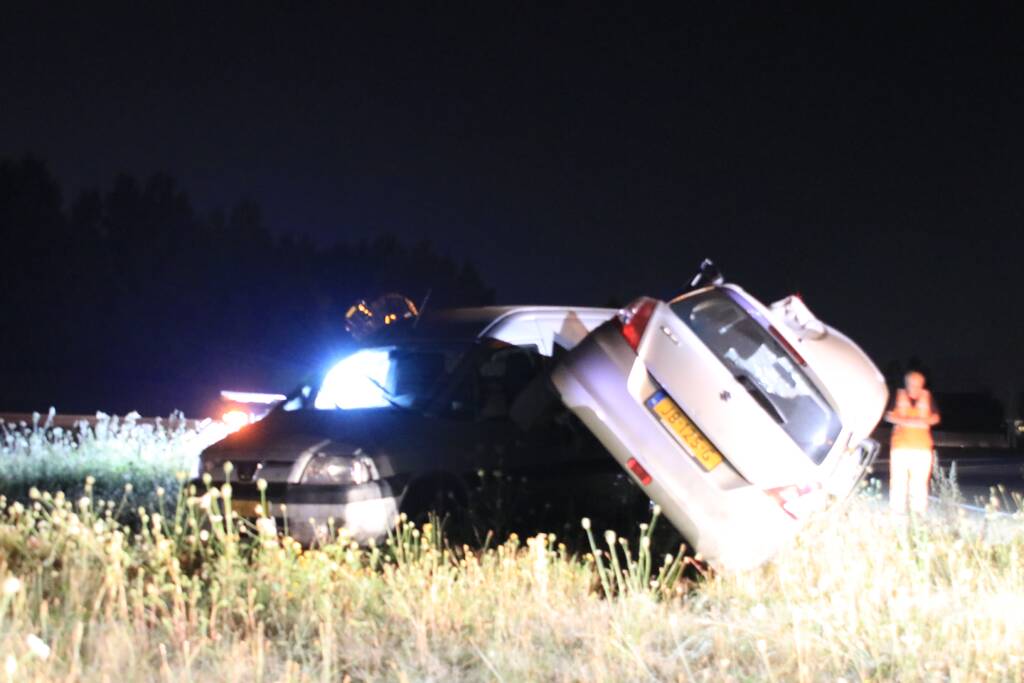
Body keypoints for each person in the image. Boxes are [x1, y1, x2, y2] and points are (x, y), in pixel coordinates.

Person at [885, 370, 941, 514]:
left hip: (922, 448)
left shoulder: (927, 397)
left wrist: (918, 421)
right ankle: (897, 512)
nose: (914, 387)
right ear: (906, 383)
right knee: (898, 482)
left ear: (922, 385)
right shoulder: (898, 395)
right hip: (900, 447)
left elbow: (936, 418)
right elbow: (888, 416)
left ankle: (918, 514)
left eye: (917, 384)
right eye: (911, 384)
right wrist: (908, 421)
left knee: (919, 483)